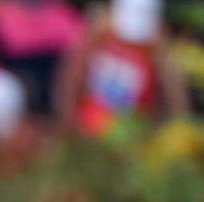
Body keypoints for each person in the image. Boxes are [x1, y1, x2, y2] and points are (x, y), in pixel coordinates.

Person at [54, 0, 189, 136]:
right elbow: (69, 83)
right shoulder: (97, 37)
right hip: (89, 130)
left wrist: (166, 59)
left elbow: (177, 104)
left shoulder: (156, 50)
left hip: (134, 136)